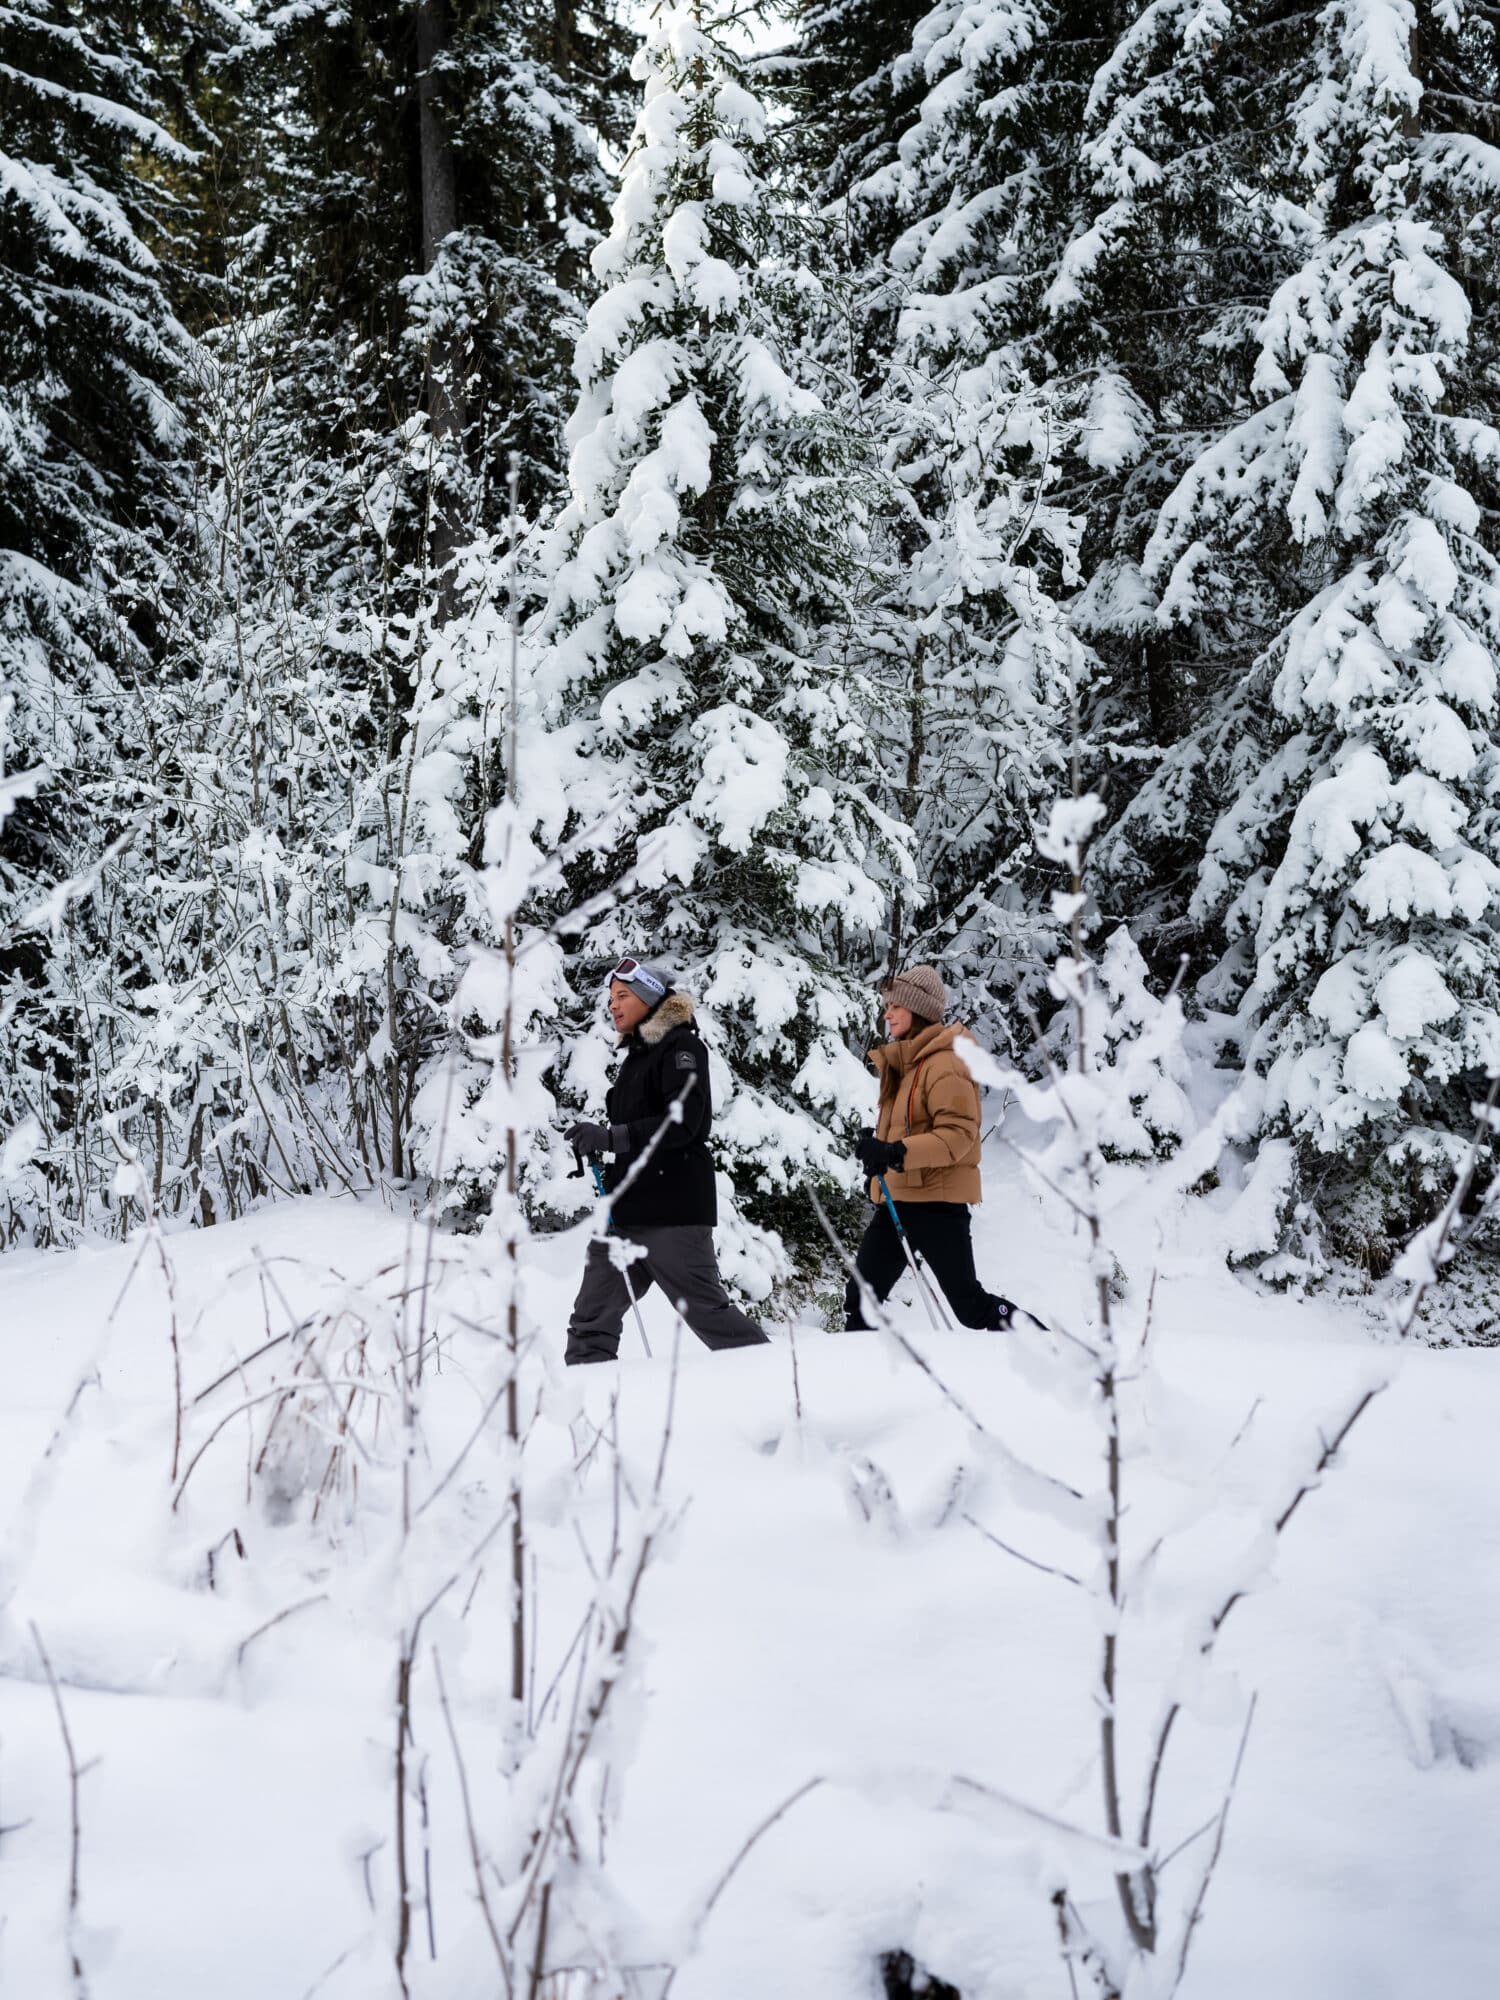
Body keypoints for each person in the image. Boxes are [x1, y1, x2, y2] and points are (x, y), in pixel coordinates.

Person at [563, 957, 770, 1365]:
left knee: (709, 1315)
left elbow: (683, 1121)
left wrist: (612, 1137)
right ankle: (589, 1395)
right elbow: (637, 1132)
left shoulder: (682, 1048)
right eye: (610, 998)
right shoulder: (636, 1058)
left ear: (649, 998)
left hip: (673, 1212)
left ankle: (778, 1383)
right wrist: (605, 1149)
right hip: (625, 1215)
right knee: (590, 1319)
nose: (613, 1005)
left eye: (622, 995)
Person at [845, 962, 1015, 1332]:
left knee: (970, 1308)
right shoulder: (905, 1064)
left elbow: (957, 1135)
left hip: (938, 1206)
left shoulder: (947, 1062)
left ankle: (1045, 1344)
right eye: (886, 1006)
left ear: (918, 1010)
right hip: (898, 1202)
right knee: (860, 1301)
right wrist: (878, 1155)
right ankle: (860, 1370)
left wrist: (894, 1152)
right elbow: (910, 1130)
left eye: (895, 1006)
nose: (887, 1014)